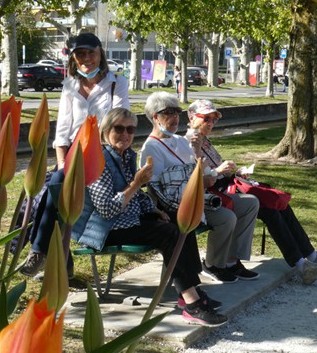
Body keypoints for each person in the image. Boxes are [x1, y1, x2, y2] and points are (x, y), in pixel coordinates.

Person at [72, 108, 227, 327]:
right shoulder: (100, 161)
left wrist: (153, 209)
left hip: (128, 219)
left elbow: (137, 195)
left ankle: (191, 291)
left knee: (180, 222)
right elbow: (106, 209)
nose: (125, 134)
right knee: (169, 232)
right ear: (106, 130)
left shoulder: (126, 156)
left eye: (130, 129)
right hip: (104, 229)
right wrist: (136, 183)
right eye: (119, 128)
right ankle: (192, 303)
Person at [186, 99, 317, 285]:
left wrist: (234, 172)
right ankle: (302, 265)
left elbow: (213, 171)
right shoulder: (190, 142)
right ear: (191, 117)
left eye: (214, 119)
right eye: (206, 118)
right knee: (269, 210)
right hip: (213, 196)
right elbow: (198, 178)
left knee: (279, 203)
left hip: (225, 188)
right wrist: (219, 171)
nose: (210, 123)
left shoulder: (205, 140)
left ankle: (312, 256)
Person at [21, 32, 130, 276]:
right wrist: (61, 162)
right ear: (73, 58)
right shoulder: (70, 85)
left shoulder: (116, 83)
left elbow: (119, 122)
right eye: (80, 54)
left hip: (102, 153)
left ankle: (40, 252)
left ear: (100, 53)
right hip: (72, 154)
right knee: (50, 186)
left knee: (58, 186)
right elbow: (62, 130)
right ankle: (57, 260)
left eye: (91, 52)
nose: (86, 58)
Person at [140, 92, 260, 284]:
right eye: (169, 112)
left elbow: (199, 173)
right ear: (155, 116)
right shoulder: (151, 148)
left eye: (177, 112)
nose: (175, 118)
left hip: (197, 198)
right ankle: (213, 266)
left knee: (249, 203)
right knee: (226, 218)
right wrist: (203, 180)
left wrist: (197, 154)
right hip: (174, 206)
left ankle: (230, 261)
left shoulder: (180, 141)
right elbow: (161, 189)